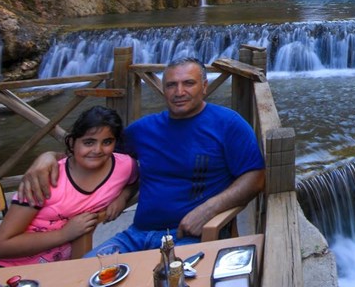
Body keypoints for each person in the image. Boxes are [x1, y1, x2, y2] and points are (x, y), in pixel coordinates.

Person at [18, 58, 265, 253]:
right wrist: (48, 155)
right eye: (171, 85)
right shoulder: (143, 130)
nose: (179, 91)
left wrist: (209, 208)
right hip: (136, 234)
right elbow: (93, 154)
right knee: (86, 274)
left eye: (188, 83)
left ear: (204, 86)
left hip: (191, 236)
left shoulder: (228, 124)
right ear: (162, 88)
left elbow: (256, 177)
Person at [0, 106, 138, 267]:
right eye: (88, 142)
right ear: (72, 143)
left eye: (107, 142)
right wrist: (64, 234)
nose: (97, 150)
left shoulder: (125, 167)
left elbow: (135, 182)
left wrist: (122, 197)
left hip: (53, 271)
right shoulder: (44, 178)